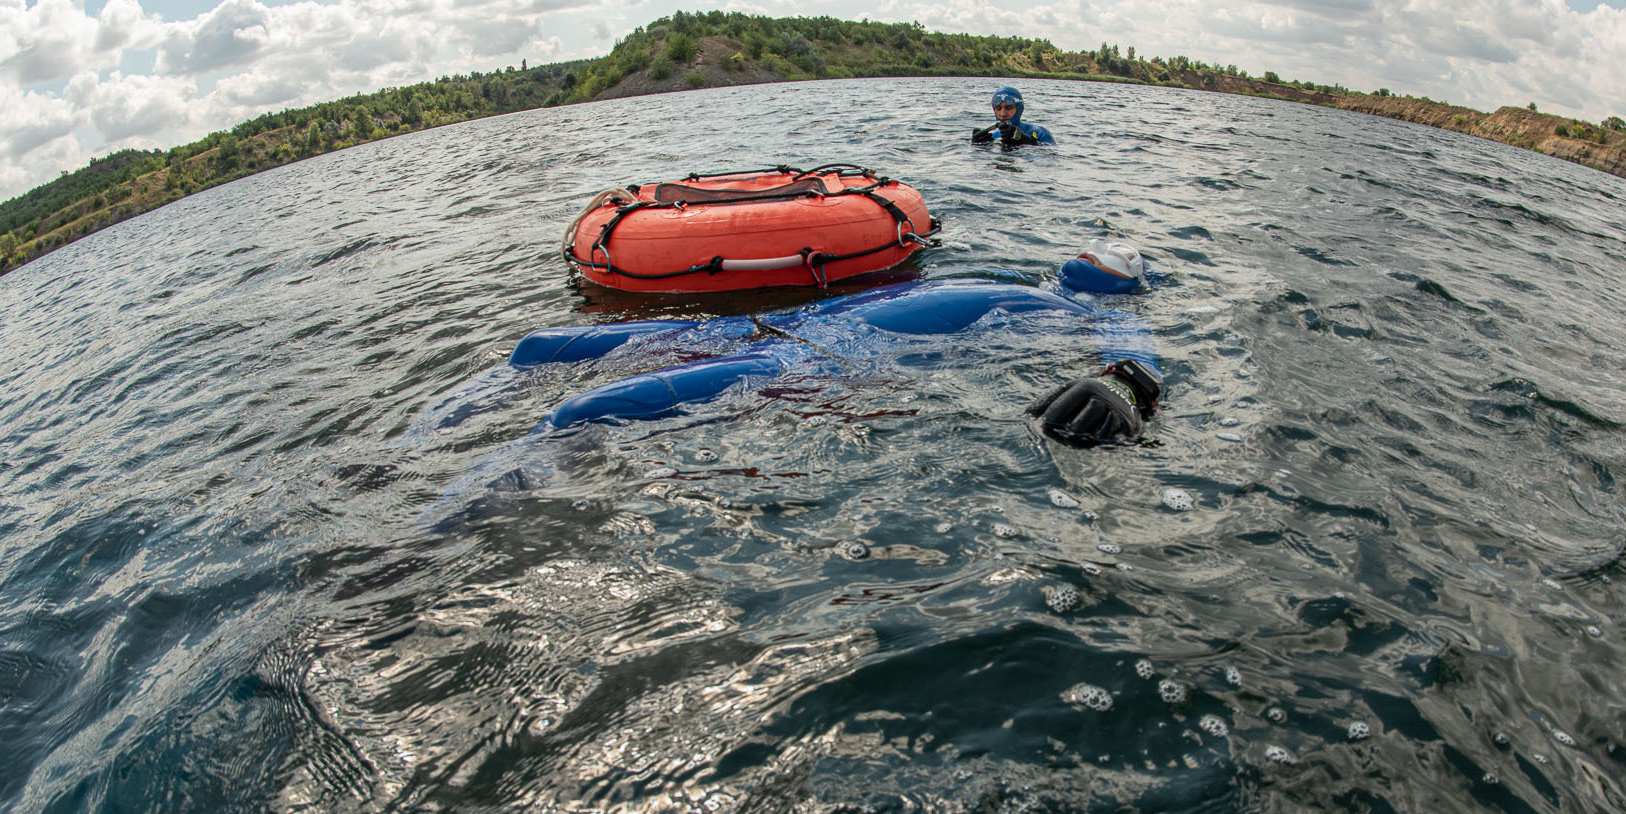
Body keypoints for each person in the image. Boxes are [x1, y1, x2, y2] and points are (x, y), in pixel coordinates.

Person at [413, 238, 1164, 484]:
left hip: (817, 360)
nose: (1093, 254)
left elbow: (1138, 354)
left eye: (1111, 256)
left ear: (1125, 283)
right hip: (771, 325)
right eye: (1093, 248)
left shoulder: (1097, 316)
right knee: (538, 350)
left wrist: (1124, 384)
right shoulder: (1015, 281)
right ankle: (405, 453)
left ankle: (415, 548)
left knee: (579, 412)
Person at [971, 85, 1054, 146]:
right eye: (998, 108)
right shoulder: (994, 136)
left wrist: (1027, 141)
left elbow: (1051, 155)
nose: (1003, 114)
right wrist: (979, 146)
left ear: (1019, 109)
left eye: (1009, 108)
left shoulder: (1040, 133)